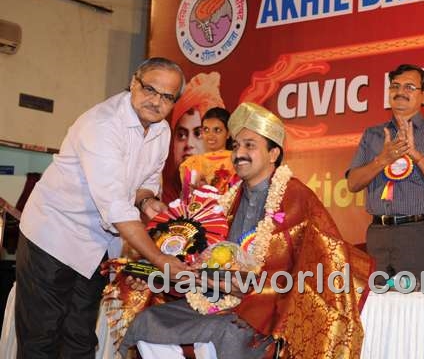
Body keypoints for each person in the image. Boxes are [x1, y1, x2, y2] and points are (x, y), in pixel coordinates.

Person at [120, 102, 372, 359]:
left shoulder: (297, 198)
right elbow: (199, 258)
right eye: (236, 146)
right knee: (148, 321)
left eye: (249, 145)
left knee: (226, 333)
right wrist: (164, 273)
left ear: (273, 154)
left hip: (266, 310)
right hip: (215, 299)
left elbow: (308, 267)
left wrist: (239, 286)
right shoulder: (227, 201)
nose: (239, 153)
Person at [15, 57, 192, 358]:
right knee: (41, 338)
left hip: (97, 245)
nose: (156, 101)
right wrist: (159, 259)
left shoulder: (161, 131)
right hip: (53, 236)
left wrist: (146, 201)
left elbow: (146, 182)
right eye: (150, 89)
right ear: (134, 82)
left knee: (80, 337)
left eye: (167, 96)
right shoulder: (103, 125)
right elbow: (117, 208)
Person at [347, 64, 424, 284]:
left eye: (409, 87)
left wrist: (416, 155)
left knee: (417, 302)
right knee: (377, 302)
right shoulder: (373, 134)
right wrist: (382, 160)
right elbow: (353, 183)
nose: (400, 92)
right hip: (378, 235)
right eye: (395, 86)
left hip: (420, 235)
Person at [162, 72, 225, 203]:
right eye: (181, 135)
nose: (189, 143)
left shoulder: (232, 188)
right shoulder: (160, 193)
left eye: (198, 133)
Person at [179, 107, 236, 194]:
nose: (210, 135)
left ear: (228, 133)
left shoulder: (235, 162)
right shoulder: (191, 164)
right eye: (206, 130)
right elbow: (185, 197)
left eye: (217, 130)